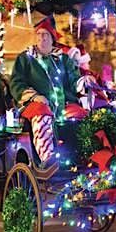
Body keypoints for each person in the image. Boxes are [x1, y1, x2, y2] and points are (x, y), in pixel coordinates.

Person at [10, 16, 87, 169]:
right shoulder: (25, 58)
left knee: (80, 114)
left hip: (61, 106)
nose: (41, 38)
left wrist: (83, 84)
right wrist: (35, 96)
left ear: (52, 38)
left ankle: (80, 156)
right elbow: (16, 82)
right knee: (42, 111)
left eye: (45, 34)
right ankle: (47, 160)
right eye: (38, 34)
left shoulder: (63, 59)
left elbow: (74, 79)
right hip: (34, 105)